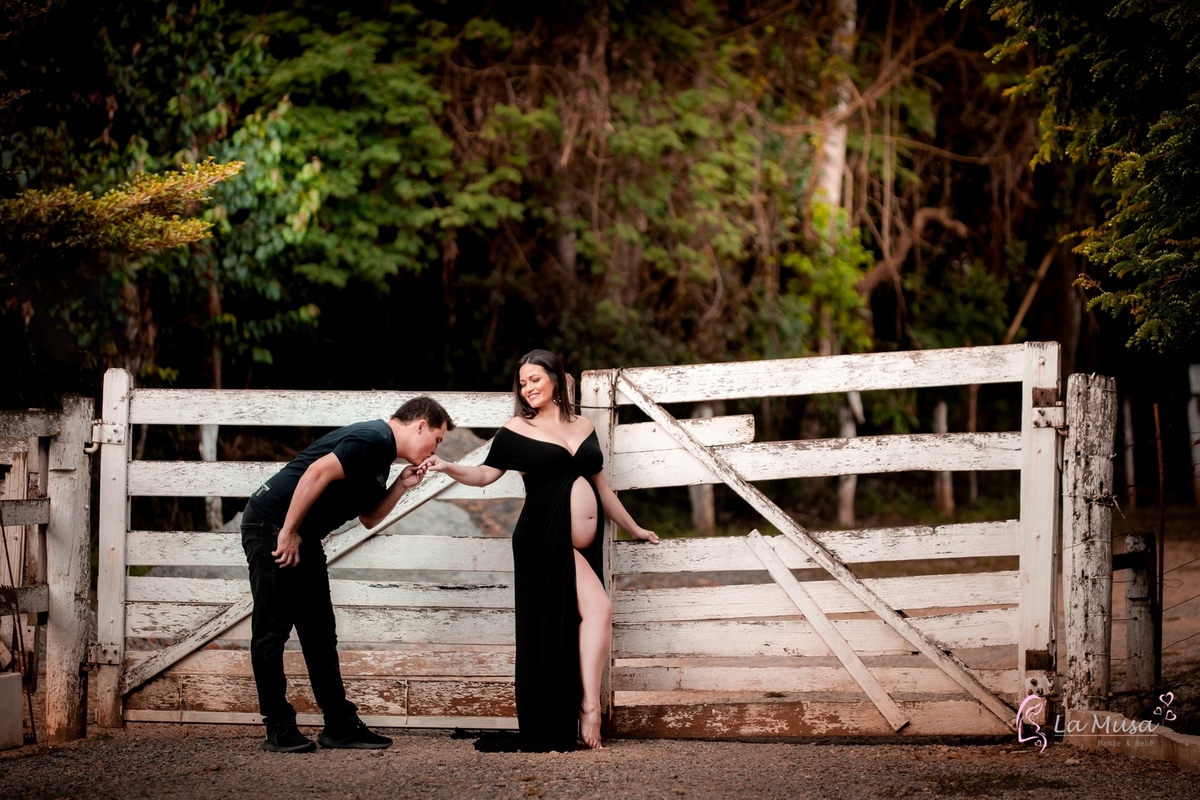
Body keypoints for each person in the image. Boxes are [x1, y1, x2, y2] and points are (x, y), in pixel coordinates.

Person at [420, 349, 658, 751]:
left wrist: (633, 527)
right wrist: (446, 466)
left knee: (585, 617)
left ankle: (582, 705)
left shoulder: (583, 425)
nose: (528, 387)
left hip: (577, 544)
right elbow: (483, 476)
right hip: (541, 539)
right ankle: (587, 707)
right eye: (523, 382)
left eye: (535, 379)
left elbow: (601, 488)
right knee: (597, 610)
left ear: (555, 379)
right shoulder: (516, 429)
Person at [240, 396, 454, 753]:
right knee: (272, 629)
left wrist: (400, 486)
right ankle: (278, 727)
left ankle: (339, 725)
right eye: (438, 438)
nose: (436, 447)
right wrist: (289, 531)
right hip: (273, 524)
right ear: (421, 426)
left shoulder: (381, 457)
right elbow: (316, 472)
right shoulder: (372, 438)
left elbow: (368, 518)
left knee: (320, 631)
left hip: (302, 534)